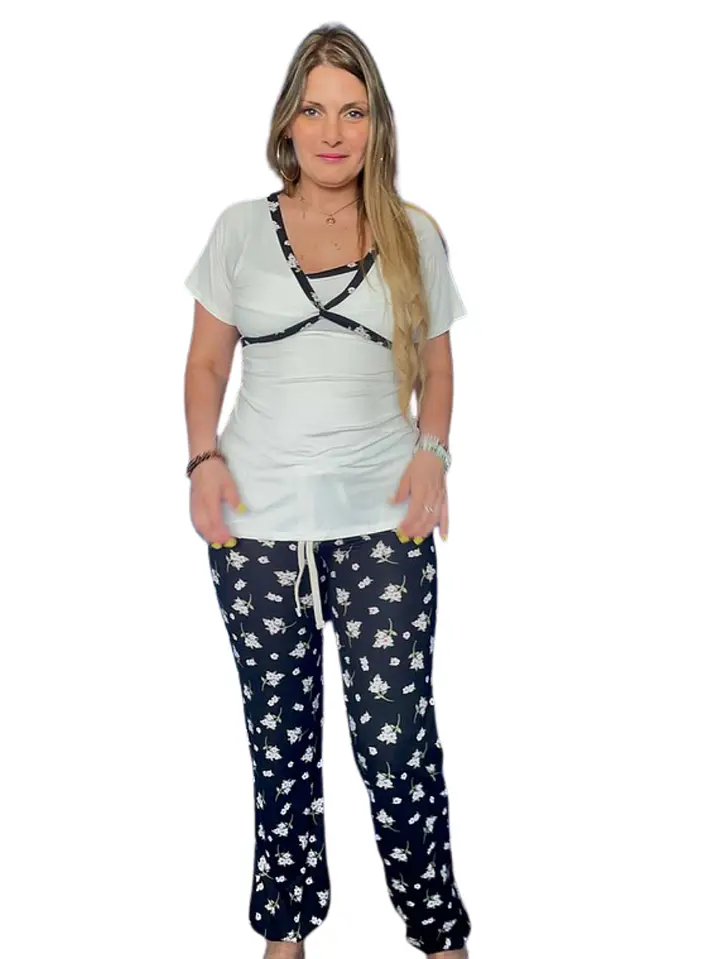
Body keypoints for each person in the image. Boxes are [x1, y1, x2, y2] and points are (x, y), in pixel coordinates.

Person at [183, 23, 471, 959]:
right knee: (279, 743)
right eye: (313, 110)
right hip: (256, 529)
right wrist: (202, 459)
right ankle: (286, 932)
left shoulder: (414, 234)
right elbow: (205, 363)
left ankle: (438, 933)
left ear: (376, 125)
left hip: (384, 523)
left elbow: (437, 366)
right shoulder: (238, 230)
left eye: (352, 111)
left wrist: (433, 451)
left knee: (396, 743)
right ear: (287, 122)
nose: (332, 131)